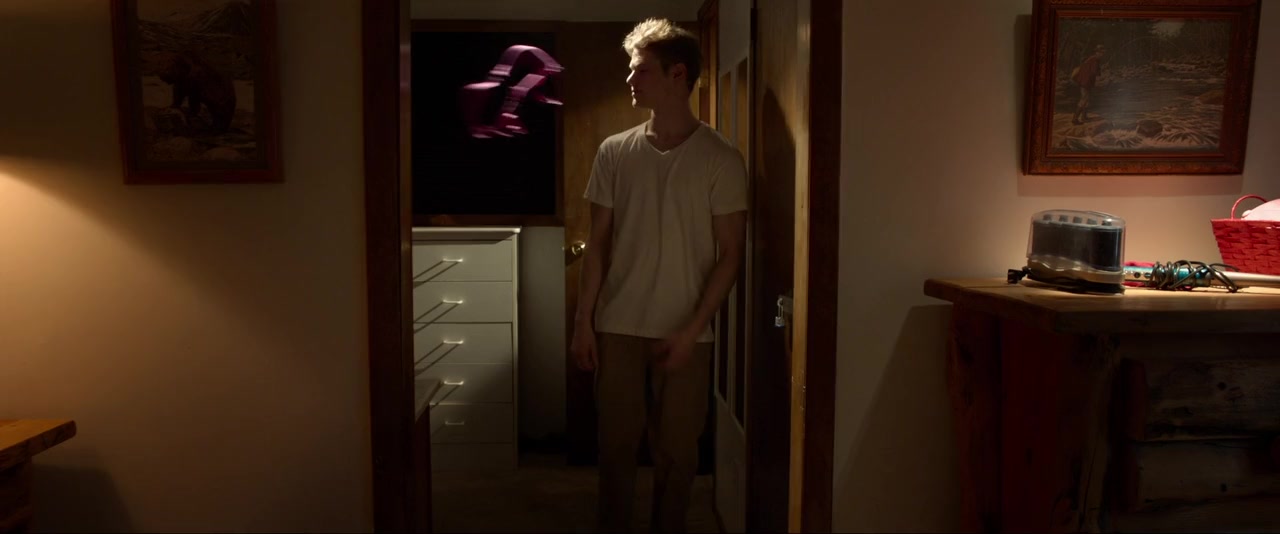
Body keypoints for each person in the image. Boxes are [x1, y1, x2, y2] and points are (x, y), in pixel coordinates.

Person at [570, 17, 748, 534]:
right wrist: (584, 322)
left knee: (677, 454)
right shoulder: (614, 151)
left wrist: (692, 329)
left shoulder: (719, 157)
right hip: (618, 326)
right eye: (632, 69)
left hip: (686, 330)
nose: (630, 79)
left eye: (641, 69)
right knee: (615, 450)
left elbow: (731, 255)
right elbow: (598, 243)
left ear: (677, 74)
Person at [1071, 44, 1106, 125]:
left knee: (1086, 99)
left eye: (1103, 53)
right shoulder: (1094, 60)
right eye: (1101, 52)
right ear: (1097, 52)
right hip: (1086, 82)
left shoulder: (1092, 59)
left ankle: (1084, 117)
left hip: (1086, 82)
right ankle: (1075, 119)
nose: (1102, 54)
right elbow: (1094, 72)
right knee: (1084, 99)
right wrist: (1100, 70)